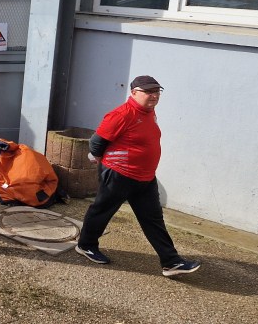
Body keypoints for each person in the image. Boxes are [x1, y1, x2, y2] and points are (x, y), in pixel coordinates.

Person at [75, 76, 201, 277]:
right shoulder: (121, 114)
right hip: (118, 174)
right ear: (134, 93)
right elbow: (96, 142)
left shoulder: (149, 112)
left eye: (157, 91)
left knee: (153, 219)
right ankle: (86, 245)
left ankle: (171, 262)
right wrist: (99, 159)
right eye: (148, 91)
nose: (154, 95)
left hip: (145, 177)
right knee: (102, 211)